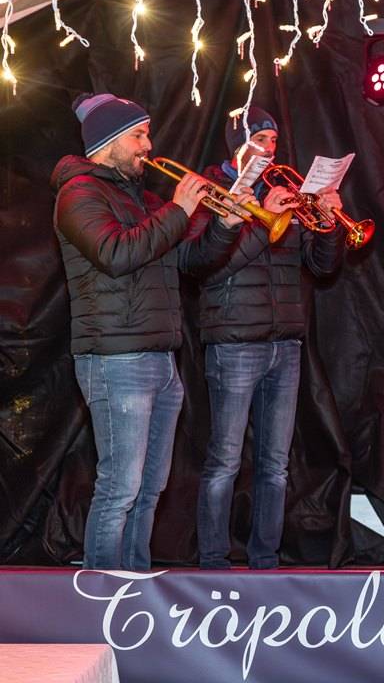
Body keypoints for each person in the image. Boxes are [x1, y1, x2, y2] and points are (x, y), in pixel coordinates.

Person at [52, 92, 245, 570]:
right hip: (115, 359)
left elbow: (191, 261)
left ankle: (133, 588)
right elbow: (117, 255)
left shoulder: (143, 199)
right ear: (110, 141)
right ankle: (99, 598)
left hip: (160, 356)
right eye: (138, 134)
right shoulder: (78, 194)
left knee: (150, 489)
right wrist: (179, 211)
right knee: (120, 487)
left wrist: (223, 226)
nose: (148, 144)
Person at [187, 107, 347, 569]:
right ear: (237, 142)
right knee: (225, 462)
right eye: (260, 138)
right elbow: (206, 267)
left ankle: (266, 562)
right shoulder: (212, 190)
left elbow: (321, 267)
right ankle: (214, 562)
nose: (270, 148)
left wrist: (330, 224)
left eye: (274, 140)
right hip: (235, 340)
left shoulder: (289, 192)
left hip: (286, 342)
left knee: (276, 467)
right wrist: (264, 223)